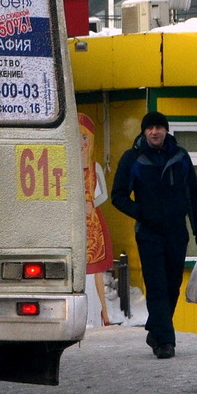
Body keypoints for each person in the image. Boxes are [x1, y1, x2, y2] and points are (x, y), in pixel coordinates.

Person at [110, 111, 197, 359]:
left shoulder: (180, 157)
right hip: (149, 233)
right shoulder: (133, 158)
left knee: (172, 285)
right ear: (144, 132)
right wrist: (141, 212)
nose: (155, 132)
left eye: (159, 127)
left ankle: (155, 329)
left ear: (166, 130)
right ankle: (166, 342)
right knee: (157, 287)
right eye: (150, 128)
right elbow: (118, 196)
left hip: (177, 232)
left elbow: (193, 196)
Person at [78, 113, 113, 326]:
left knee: (97, 270)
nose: (81, 143)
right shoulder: (67, 167)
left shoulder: (95, 167)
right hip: (76, 222)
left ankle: (104, 313)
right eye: (77, 138)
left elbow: (104, 194)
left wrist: (92, 203)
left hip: (92, 222)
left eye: (84, 138)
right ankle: (82, 312)